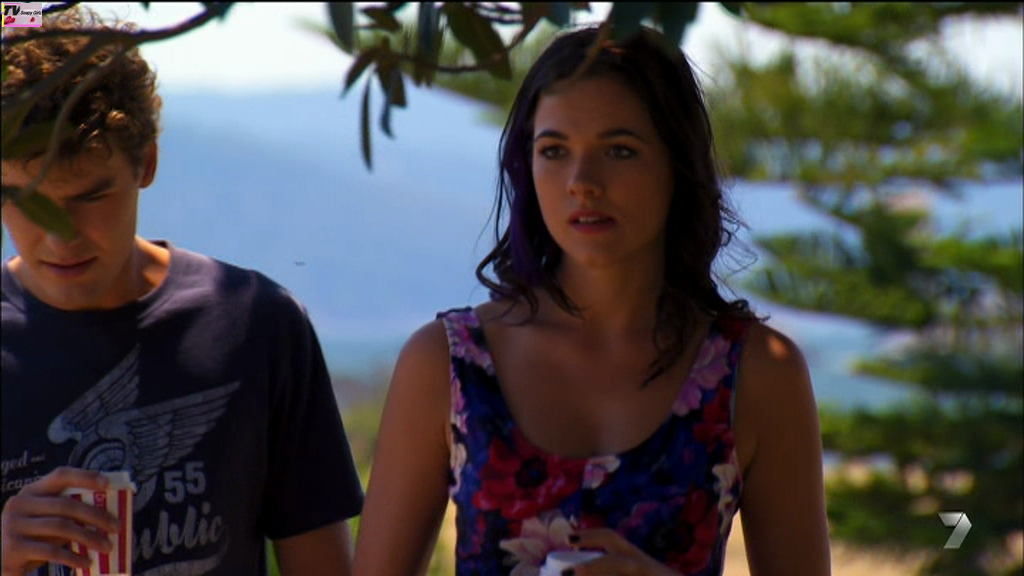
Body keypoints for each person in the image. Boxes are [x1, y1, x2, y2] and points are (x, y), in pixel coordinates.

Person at [353, 24, 831, 576]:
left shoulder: (756, 374)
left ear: (677, 165)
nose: (582, 181)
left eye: (620, 150)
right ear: (526, 166)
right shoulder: (449, 364)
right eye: (554, 151)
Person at [1, 7, 363, 576]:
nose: (60, 236)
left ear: (146, 164)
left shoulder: (257, 326)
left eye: (91, 197)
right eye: (26, 201)